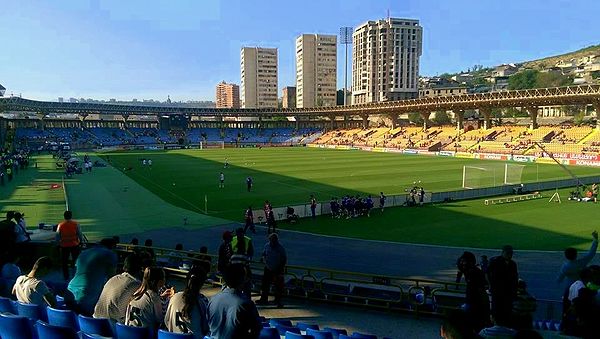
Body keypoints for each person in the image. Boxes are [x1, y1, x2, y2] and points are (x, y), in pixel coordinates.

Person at [207, 263, 262, 339]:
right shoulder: (246, 303)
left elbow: (207, 326)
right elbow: (256, 329)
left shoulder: (213, 300)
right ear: (241, 279)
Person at [68, 238, 118, 316]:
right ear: (112, 246)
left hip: (69, 291)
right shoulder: (110, 254)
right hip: (86, 296)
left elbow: (75, 271)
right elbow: (112, 279)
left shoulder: (84, 252)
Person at [557, 230, 597, 325]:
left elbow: (560, 277)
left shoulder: (565, 266)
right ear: (575, 255)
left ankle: (565, 325)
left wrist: (559, 280)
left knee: (567, 307)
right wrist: (595, 240)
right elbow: (591, 253)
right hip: (583, 287)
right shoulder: (582, 263)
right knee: (586, 305)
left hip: (570, 288)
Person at [93, 254, 142, 325]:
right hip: (111, 326)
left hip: (95, 321)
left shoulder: (114, 278)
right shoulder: (136, 284)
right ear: (140, 269)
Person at [125, 267, 172, 336]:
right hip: (144, 335)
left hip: (130, 334)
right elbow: (160, 320)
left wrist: (160, 297)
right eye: (164, 277)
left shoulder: (136, 294)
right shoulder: (153, 296)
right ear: (159, 281)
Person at [164, 267, 209, 338]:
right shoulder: (202, 302)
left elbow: (167, 321)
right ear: (202, 283)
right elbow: (206, 327)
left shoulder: (174, 297)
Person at [457, 251, 490, 332]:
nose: (462, 263)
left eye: (464, 261)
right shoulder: (471, 271)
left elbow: (481, 291)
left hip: (475, 306)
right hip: (472, 304)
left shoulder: (474, 273)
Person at [487, 245, 519, 323]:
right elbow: (487, 273)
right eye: (508, 253)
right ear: (503, 252)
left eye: (511, 253)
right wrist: (491, 285)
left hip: (508, 292)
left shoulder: (513, 264)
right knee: (497, 309)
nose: (509, 255)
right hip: (498, 291)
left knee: (507, 310)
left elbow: (515, 278)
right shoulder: (495, 261)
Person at [257, 233, 287, 308]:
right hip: (268, 268)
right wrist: (262, 258)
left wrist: (280, 269)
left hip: (277, 269)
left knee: (278, 286)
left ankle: (278, 301)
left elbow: (284, 259)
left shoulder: (280, 248)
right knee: (265, 285)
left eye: (274, 240)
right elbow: (264, 254)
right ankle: (264, 299)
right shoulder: (267, 246)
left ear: (276, 240)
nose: (272, 242)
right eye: (271, 240)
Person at [56, 210, 84, 280]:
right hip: (74, 245)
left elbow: (57, 236)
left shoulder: (61, 225)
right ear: (71, 216)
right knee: (76, 261)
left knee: (64, 262)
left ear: (64, 217)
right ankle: (77, 275)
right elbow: (79, 234)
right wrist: (82, 241)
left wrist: (58, 244)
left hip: (64, 246)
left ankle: (66, 277)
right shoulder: (75, 224)